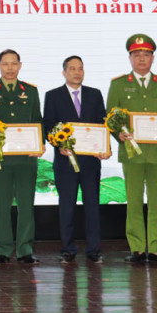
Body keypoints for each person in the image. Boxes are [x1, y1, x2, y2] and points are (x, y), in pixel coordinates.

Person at [105, 34, 157, 264]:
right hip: (131, 153)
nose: (141, 59)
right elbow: (111, 116)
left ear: (152, 58)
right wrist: (118, 134)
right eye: (136, 54)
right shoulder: (119, 84)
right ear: (130, 57)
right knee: (134, 201)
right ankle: (137, 248)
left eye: (146, 54)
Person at [0, 49, 42, 265]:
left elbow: (37, 120)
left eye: (14, 63)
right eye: (5, 64)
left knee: (26, 204)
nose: (10, 68)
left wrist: (40, 143)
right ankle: (3, 249)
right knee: (1, 205)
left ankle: (25, 249)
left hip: (26, 158)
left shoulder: (30, 91)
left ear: (20, 65)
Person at [42, 56, 108, 264]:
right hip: (65, 162)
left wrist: (104, 147)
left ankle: (94, 249)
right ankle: (68, 249)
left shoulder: (95, 94)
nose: (77, 72)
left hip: (90, 161)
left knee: (92, 206)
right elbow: (48, 125)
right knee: (67, 206)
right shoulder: (53, 96)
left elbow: (102, 123)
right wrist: (57, 144)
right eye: (72, 69)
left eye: (80, 68)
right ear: (64, 73)